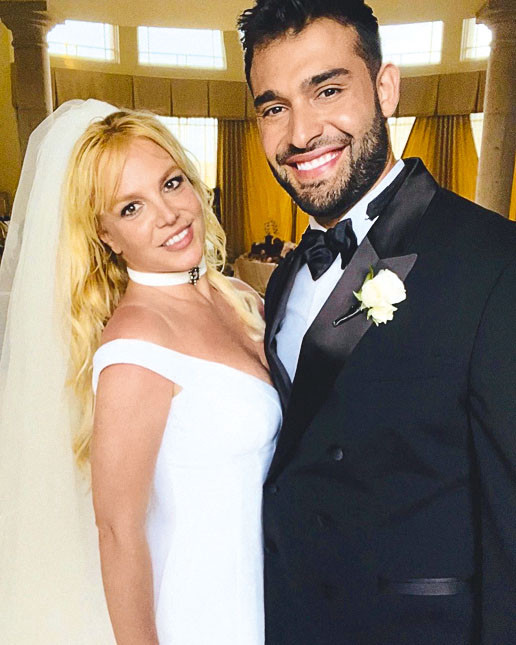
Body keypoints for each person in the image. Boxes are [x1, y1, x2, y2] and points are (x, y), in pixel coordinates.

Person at [238, 1, 516, 644]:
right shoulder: (283, 277)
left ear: (385, 89)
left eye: (328, 90)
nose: (301, 133)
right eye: (274, 107)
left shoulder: (494, 261)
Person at [0, 99, 281, 644]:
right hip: (201, 616)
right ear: (106, 235)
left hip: (272, 593)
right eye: (131, 208)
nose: (168, 213)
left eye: (171, 184)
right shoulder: (136, 344)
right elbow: (117, 531)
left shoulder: (241, 297)